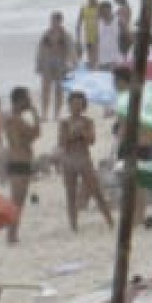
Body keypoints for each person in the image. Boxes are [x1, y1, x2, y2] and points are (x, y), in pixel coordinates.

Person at [56, 92, 113, 230]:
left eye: (79, 104)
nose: (76, 107)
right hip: (69, 159)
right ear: (69, 105)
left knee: (96, 191)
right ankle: (73, 225)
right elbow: (61, 142)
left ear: (83, 106)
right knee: (70, 194)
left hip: (83, 157)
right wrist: (73, 133)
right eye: (73, 104)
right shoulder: (64, 122)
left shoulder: (88, 122)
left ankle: (109, 221)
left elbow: (92, 140)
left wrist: (81, 133)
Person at [0, 87, 41, 233]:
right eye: (27, 98)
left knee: (18, 201)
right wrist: (34, 114)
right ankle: (11, 233)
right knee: (16, 201)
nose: (29, 101)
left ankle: (13, 232)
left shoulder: (15, 119)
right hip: (19, 162)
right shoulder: (15, 120)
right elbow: (32, 135)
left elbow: (31, 136)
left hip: (20, 161)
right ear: (20, 100)